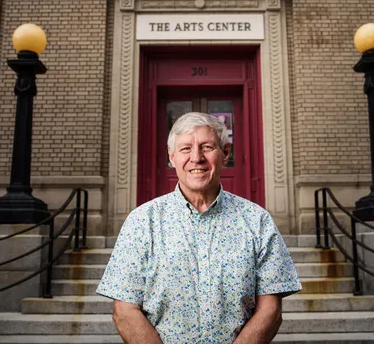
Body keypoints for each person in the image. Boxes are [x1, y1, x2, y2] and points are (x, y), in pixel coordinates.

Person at [97, 112, 301, 344]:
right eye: (185, 149)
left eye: (207, 147)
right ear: (171, 156)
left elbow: (270, 310)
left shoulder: (257, 221)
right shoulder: (142, 221)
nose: (196, 158)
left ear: (225, 153)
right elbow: (124, 311)